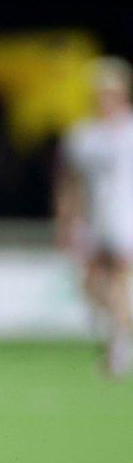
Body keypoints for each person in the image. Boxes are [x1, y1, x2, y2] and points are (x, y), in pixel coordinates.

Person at [55, 55, 133, 377]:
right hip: (94, 219)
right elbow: (69, 183)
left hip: (126, 216)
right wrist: (66, 221)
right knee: (90, 285)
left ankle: (118, 349)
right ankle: (121, 333)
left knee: (119, 281)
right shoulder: (82, 135)